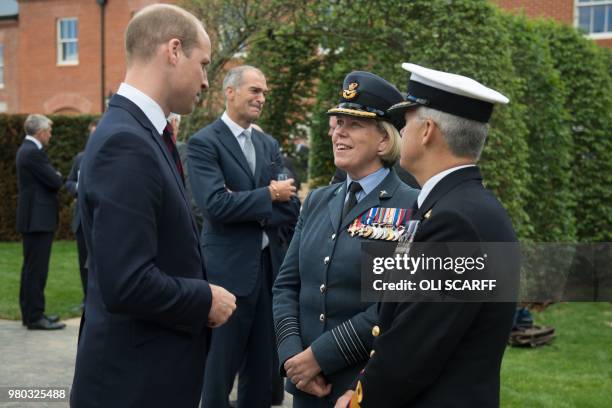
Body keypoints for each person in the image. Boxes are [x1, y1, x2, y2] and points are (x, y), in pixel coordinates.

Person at [70, 5, 236, 407]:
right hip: (132, 386)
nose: (205, 80)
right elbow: (126, 282)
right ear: (173, 51)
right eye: (203, 64)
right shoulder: (126, 142)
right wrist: (205, 300)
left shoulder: (141, 132)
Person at [335, 63, 518, 408]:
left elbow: (412, 348)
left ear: (427, 131)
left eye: (407, 120)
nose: (400, 130)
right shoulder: (453, 206)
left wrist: (360, 400)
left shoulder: (455, 221)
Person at [273, 71, 419, 407]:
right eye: (338, 122)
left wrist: (319, 357)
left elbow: (392, 306)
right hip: (306, 385)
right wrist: (293, 358)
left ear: (384, 140)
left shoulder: (412, 205)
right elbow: (286, 286)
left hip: (359, 387)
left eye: (353, 124)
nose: (339, 131)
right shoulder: (318, 200)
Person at [188, 65, 300, 408]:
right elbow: (216, 205)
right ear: (230, 92)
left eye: (264, 92)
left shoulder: (268, 144)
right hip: (227, 273)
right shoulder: (204, 143)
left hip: (269, 270)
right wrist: (268, 194)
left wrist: (249, 201)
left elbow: (292, 206)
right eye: (255, 90)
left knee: (262, 367)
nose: (262, 98)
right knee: (219, 368)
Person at [15, 114, 65, 330]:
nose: (50, 135)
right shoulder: (33, 153)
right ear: (40, 132)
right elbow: (55, 181)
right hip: (38, 219)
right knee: (36, 270)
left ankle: (30, 314)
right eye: (49, 131)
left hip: (33, 218)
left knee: (30, 268)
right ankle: (35, 317)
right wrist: (56, 174)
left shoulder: (27, 151)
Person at [65, 119, 97, 304]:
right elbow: (69, 182)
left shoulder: (107, 155)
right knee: (82, 262)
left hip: (99, 219)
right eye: (91, 133)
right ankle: (87, 298)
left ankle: (97, 298)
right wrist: (79, 187)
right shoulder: (80, 158)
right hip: (80, 220)